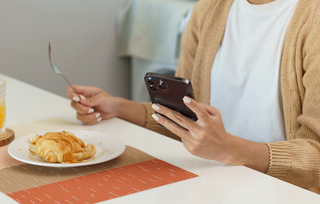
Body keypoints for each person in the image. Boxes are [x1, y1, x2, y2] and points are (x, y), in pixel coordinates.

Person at [67, 0, 320, 193]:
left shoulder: (312, 18)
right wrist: (118, 107)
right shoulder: (207, 10)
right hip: (211, 188)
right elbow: (186, 120)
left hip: (285, 199)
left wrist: (230, 149)